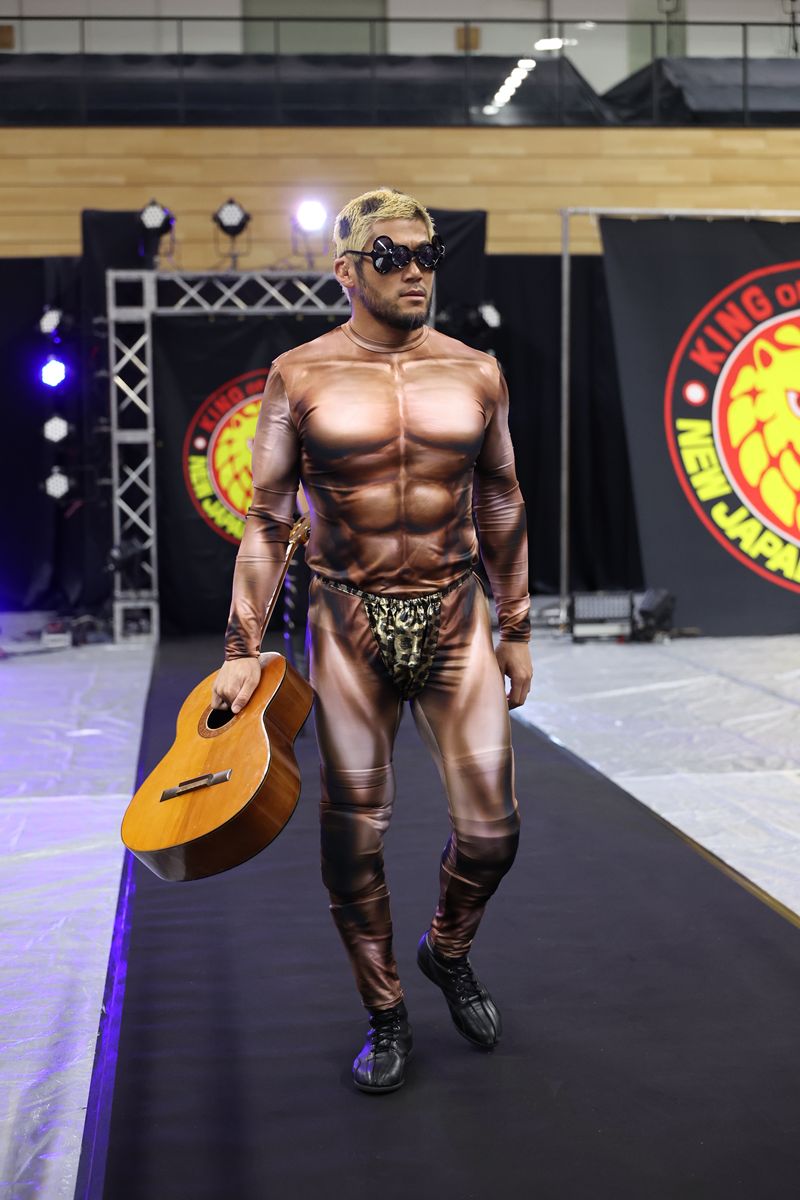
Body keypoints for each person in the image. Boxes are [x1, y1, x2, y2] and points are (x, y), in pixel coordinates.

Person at [212, 187, 532, 1094]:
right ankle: (386, 1010)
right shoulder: (299, 374)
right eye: (392, 256)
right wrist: (241, 648)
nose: (416, 271)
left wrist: (516, 625)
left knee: (493, 832)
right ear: (347, 271)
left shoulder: (476, 371)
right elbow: (268, 518)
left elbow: (500, 495)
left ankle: (446, 949)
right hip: (346, 620)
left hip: (455, 613)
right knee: (352, 835)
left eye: (429, 255)